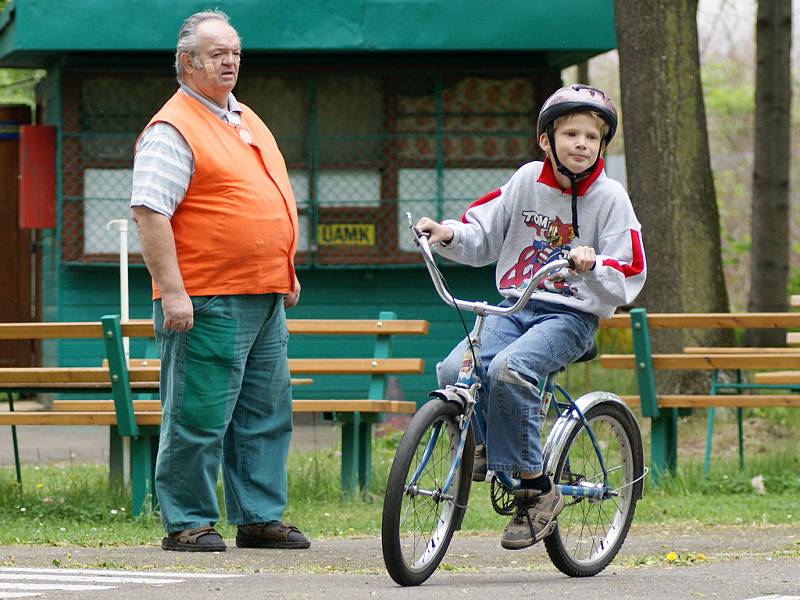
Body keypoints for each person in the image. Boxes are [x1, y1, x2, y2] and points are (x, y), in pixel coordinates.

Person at [416, 84, 646, 550]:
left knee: (509, 369)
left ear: (602, 145)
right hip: (515, 304)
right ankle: (486, 448)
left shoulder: (610, 197)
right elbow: (482, 233)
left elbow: (631, 268)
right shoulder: (526, 181)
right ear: (547, 140)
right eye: (571, 134)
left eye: (592, 137)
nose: (582, 144)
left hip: (571, 317)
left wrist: (594, 262)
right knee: (451, 370)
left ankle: (537, 491)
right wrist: (444, 233)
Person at [131, 10, 309, 552]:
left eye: (234, 51)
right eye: (216, 53)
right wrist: (174, 290)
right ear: (187, 62)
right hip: (206, 297)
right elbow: (150, 211)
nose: (229, 61)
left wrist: (287, 268)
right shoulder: (173, 127)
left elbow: (266, 197)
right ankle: (187, 522)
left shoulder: (245, 117)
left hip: (264, 293)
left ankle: (258, 517)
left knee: (264, 414)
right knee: (198, 415)